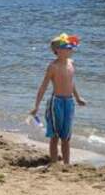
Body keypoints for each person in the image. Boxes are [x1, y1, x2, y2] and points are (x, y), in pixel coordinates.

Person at [30, 33, 87, 165]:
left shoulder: (71, 64)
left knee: (66, 136)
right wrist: (36, 106)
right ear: (58, 51)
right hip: (56, 103)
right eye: (68, 48)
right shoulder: (53, 67)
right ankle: (54, 163)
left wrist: (78, 98)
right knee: (55, 136)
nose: (71, 50)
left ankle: (66, 164)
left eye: (71, 48)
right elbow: (43, 86)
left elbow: (71, 82)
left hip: (69, 102)